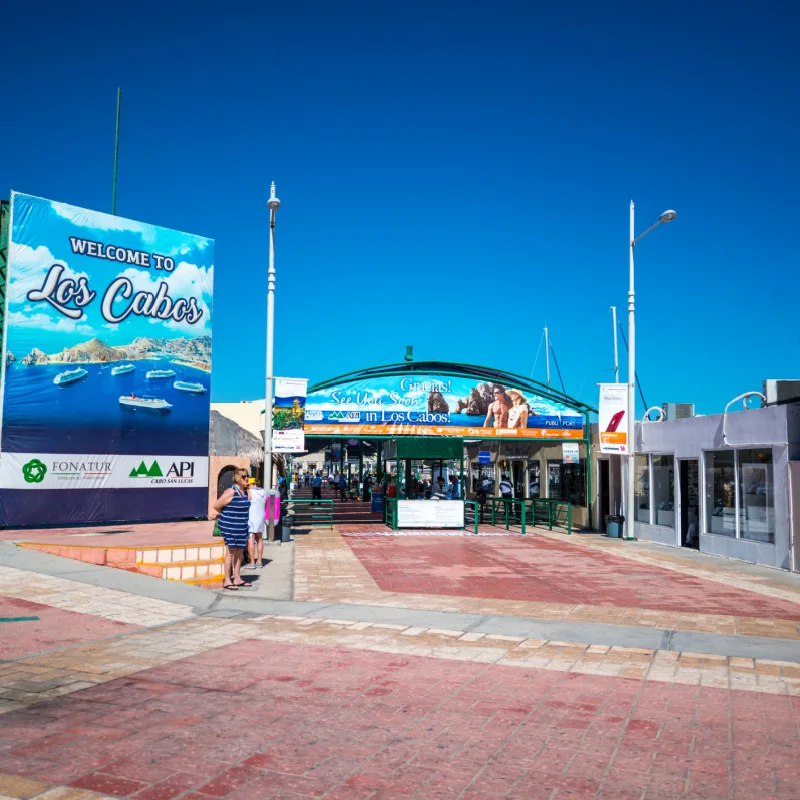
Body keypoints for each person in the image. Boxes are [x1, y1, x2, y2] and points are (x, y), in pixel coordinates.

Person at [211, 468, 251, 590]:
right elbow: (217, 505)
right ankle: (227, 580)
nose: (247, 479)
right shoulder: (230, 491)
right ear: (237, 478)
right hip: (230, 525)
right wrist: (224, 513)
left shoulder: (246, 492)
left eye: (247, 476)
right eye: (244, 477)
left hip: (241, 525)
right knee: (230, 552)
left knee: (239, 552)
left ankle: (237, 578)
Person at [247, 478, 267, 569]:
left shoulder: (249, 492)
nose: (248, 486)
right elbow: (265, 505)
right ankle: (259, 561)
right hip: (261, 517)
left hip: (251, 518)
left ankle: (252, 562)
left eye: (248, 485)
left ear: (252, 484)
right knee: (260, 540)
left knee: (251, 540)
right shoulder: (264, 492)